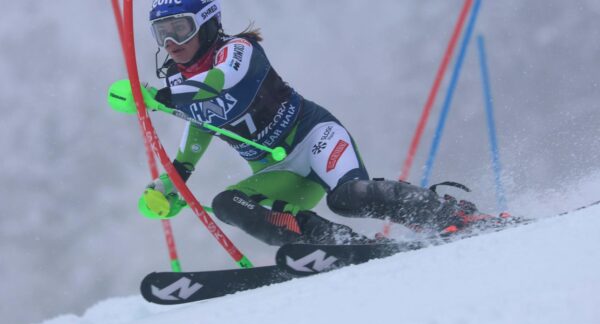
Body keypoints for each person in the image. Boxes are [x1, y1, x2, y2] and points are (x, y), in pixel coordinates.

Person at [125, 0, 495, 246]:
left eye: (180, 28)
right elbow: (193, 138)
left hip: (316, 140)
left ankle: (454, 215)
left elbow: (220, 84)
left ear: (206, 24)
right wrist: (168, 187)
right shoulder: (179, 84)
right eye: (162, 32)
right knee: (227, 203)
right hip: (278, 170)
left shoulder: (238, 50)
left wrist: (156, 98)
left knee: (348, 198)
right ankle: (334, 243)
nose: (171, 42)